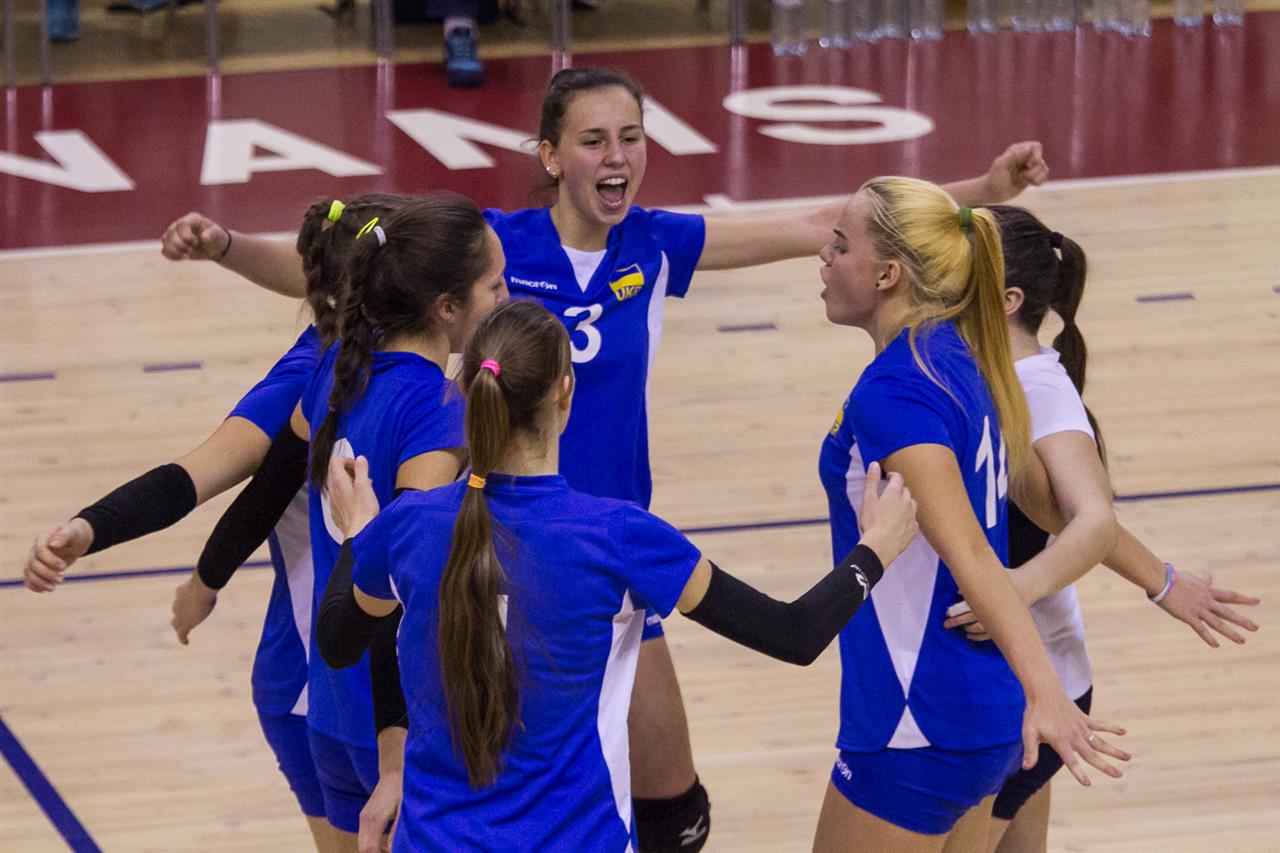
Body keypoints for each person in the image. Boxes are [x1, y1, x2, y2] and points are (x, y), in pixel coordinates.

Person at [164, 67, 1050, 850]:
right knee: (530, 760)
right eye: (593, 140)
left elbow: (829, 223)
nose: (617, 155)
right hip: (506, 547)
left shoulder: (655, 245)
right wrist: (230, 250)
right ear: (551, 155)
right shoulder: (498, 247)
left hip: (603, 568)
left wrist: (979, 197)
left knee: (669, 803)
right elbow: (366, 271)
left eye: (632, 136)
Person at [313, 299, 921, 851]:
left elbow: (339, 641)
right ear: (565, 392)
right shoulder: (618, 537)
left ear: (465, 389)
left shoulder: (408, 525)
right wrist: (875, 550)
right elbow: (793, 633)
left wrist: (358, 534)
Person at [20, 194, 409, 852]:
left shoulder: (402, 354)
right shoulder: (318, 377)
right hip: (329, 684)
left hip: (352, 682)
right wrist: (90, 529)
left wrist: (226, 246)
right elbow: (197, 473)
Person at [810, 178, 1129, 852]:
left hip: (917, 716)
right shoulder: (962, 358)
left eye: (840, 245)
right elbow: (1053, 515)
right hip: (976, 708)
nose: (824, 258)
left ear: (888, 274)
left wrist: (1047, 689)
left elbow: (974, 554)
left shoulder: (898, 391)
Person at [930, 206, 1261, 853]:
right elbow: (1066, 516)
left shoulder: (1037, 389)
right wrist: (1162, 579)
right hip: (1028, 674)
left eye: (954, 270)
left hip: (1026, 683)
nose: (935, 279)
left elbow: (1093, 520)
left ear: (1007, 299)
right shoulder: (988, 372)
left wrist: (1011, 590)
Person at [190, 192, 508, 850]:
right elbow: (400, 582)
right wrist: (395, 758)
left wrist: (205, 577)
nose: (508, 297)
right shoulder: (438, 411)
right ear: (447, 308)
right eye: (496, 285)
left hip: (332, 711)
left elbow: (264, 493)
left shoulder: (338, 371)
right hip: (402, 727)